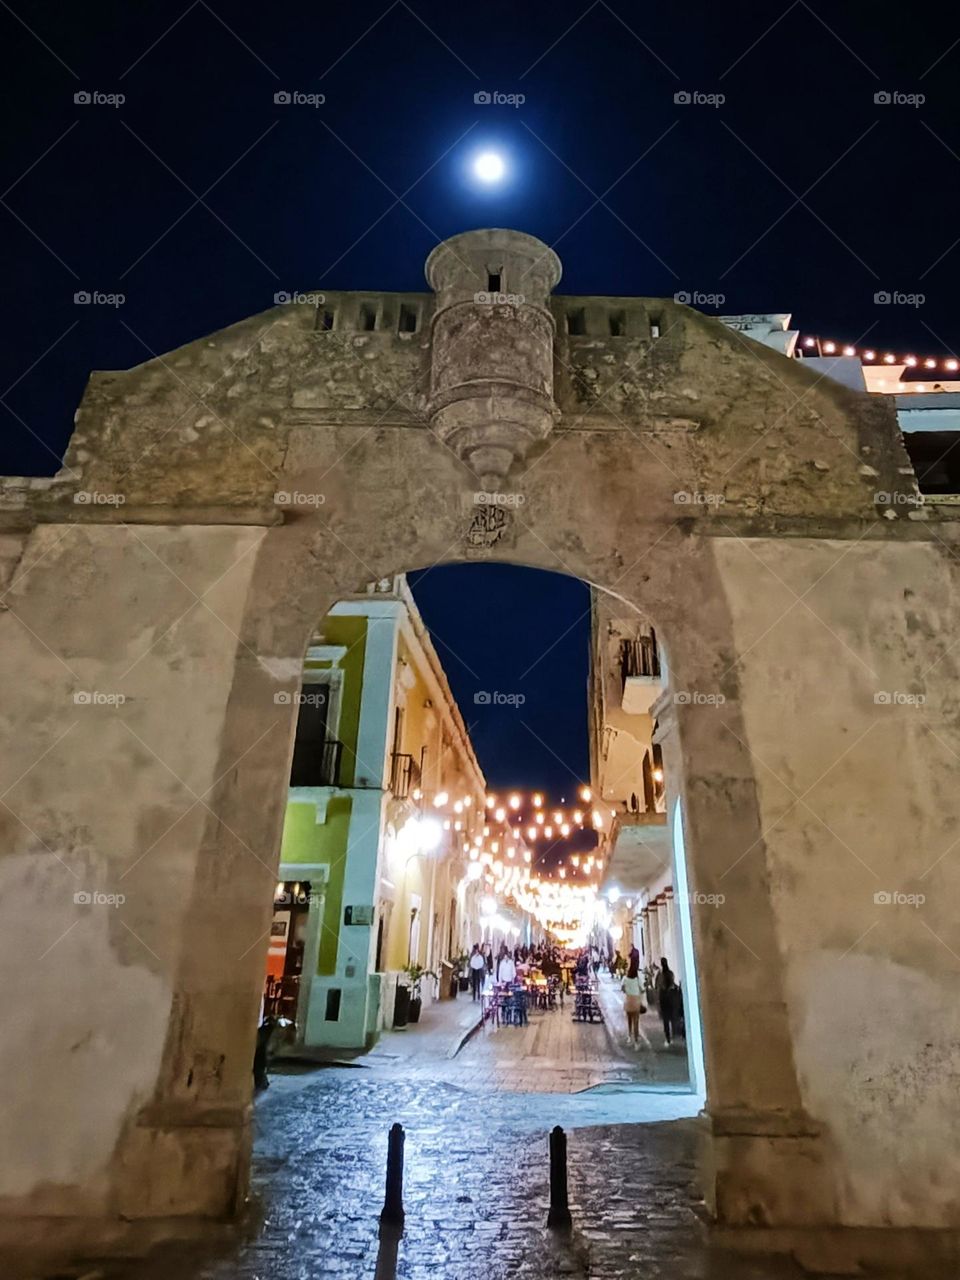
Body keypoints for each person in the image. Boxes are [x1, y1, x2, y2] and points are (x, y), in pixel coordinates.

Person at [620, 947, 646, 1047]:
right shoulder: (637, 978)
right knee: (636, 1022)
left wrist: (627, 990)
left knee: (629, 1020)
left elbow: (622, 988)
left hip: (628, 1000)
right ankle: (636, 1041)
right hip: (636, 1001)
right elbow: (642, 989)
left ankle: (629, 1037)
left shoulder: (625, 978)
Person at [656, 957, 678, 1046]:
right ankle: (673, 1036)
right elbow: (673, 984)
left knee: (665, 1019)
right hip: (670, 998)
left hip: (663, 998)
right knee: (672, 1017)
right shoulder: (670, 973)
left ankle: (667, 1038)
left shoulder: (660, 974)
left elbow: (657, 985)